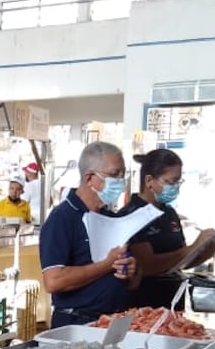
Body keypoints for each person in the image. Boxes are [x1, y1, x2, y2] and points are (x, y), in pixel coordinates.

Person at [38, 141, 141, 328]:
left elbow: (132, 282)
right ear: (89, 178)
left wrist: (131, 271)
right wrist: (106, 265)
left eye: (122, 174)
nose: (120, 181)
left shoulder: (111, 218)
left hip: (114, 321)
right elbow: (54, 281)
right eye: (114, 174)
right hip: (77, 323)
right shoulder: (62, 218)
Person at [120, 149, 215, 310]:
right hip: (145, 302)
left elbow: (183, 262)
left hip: (173, 299)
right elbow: (147, 266)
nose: (175, 187)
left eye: (179, 182)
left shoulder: (169, 213)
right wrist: (192, 248)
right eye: (171, 182)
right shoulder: (131, 215)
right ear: (150, 181)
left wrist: (207, 249)